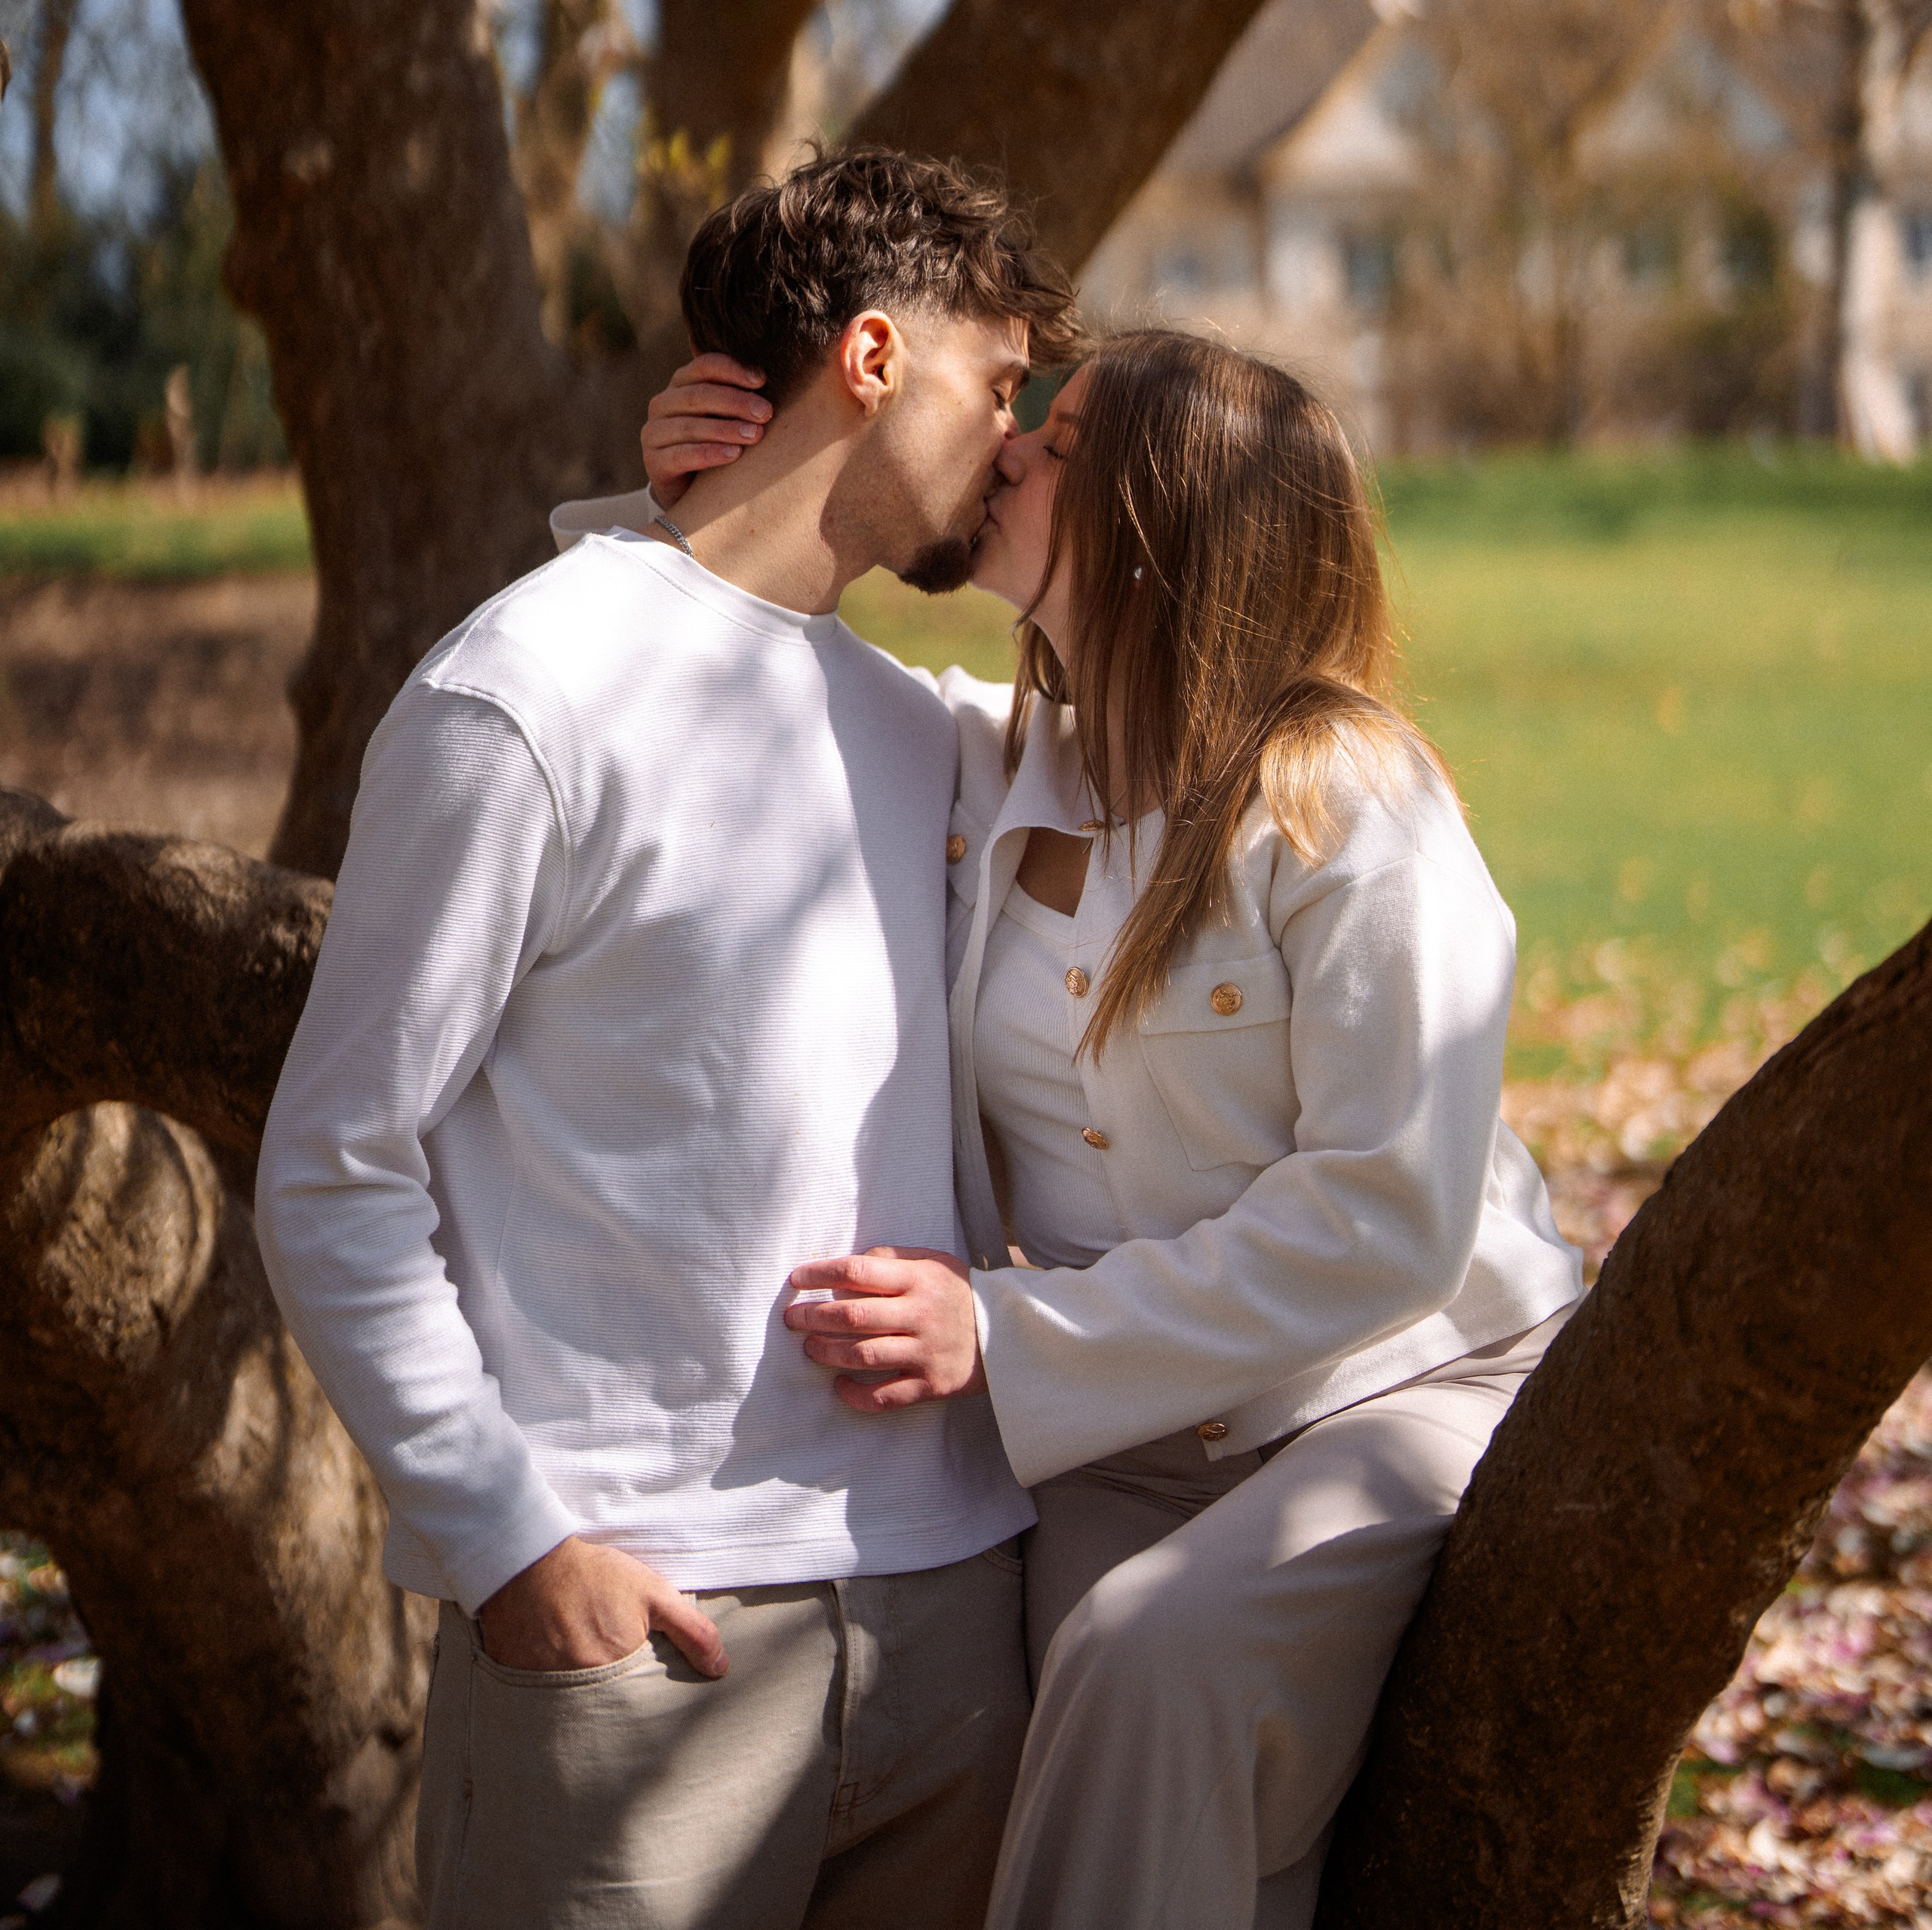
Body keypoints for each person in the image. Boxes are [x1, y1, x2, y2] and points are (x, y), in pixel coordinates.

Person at [642, 328, 1586, 1930]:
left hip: (1395, 1393)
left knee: (1149, 1665)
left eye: (1057, 439)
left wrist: (999, 1332)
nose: (1006, 448)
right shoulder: (987, 763)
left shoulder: (1348, 801)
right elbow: (741, 670)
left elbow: (1386, 1217)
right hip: (1119, 1445)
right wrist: (699, 506)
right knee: (1023, 1719)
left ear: (1165, 514)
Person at [255, 149, 1081, 1930]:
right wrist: (509, 1547)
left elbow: (1163, 745)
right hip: (643, 1639)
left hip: (953, 1619)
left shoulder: (929, 738)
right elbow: (333, 1165)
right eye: (998, 387)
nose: (1015, 441)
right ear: (872, 357)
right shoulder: (520, 699)